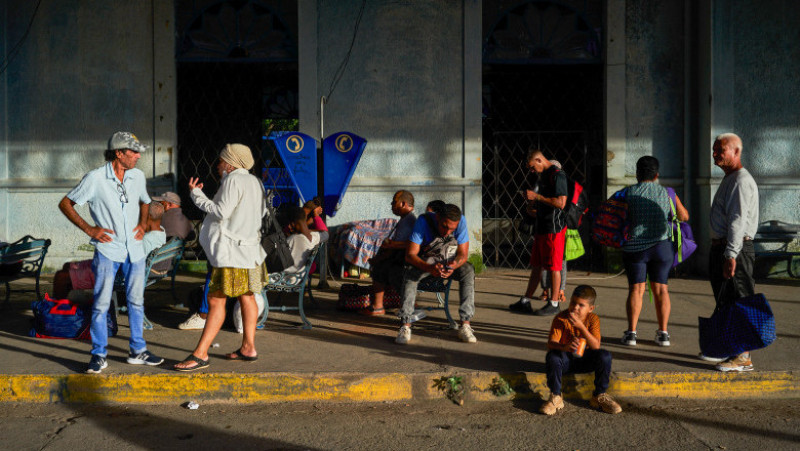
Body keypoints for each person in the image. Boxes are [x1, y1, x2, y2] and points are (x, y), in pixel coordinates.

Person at [58, 131, 164, 374]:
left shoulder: (137, 176)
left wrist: (143, 223)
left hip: (134, 250)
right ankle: (98, 354)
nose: (138, 156)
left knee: (137, 301)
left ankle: (138, 350)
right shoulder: (95, 178)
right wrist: (90, 229)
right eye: (133, 152)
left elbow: (146, 200)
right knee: (102, 303)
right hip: (108, 250)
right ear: (119, 153)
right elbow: (66, 203)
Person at [174, 143, 267, 371]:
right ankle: (248, 347)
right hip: (250, 252)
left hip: (231, 254)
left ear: (230, 163)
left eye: (221, 161)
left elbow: (221, 211)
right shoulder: (255, 182)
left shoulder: (233, 180)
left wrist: (196, 195)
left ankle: (201, 354)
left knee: (216, 301)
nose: (218, 166)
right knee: (247, 297)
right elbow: (261, 213)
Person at [704, 133, 759, 371]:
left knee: (738, 301)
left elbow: (738, 220)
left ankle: (742, 356)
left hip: (734, 249)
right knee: (726, 301)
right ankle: (731, 349)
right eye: (715, 149)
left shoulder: (740, 180)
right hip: (725, 248)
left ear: (736, 152)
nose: (715, 153)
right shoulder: (731, 178)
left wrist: (730, 255)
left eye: (721, 150)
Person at [620, 156, 688, 347]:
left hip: (636, 248)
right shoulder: (668, 192)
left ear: (637, 174)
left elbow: (620, 217)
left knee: (636, 289)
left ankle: (632, 334)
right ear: (657, 175)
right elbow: (684, 216)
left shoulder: (628, 192)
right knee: (661, 290)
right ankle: (663, 334)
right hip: (662, 248)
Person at [395, 204, 477, 344]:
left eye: (452, 229)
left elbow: (463, 254)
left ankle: (465, 324)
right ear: (438, 217)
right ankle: (405, 325)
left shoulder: (461, 221)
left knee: (468, 270)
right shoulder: (423, 221)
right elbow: (410, 255)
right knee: (410, 274)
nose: (447, 232)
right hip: (426, 264)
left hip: (448, 264)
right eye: (444, 226)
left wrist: (454, 264)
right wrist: (429, 267)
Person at [540, 285, 622, 415]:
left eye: (581, 305)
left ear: (591, 308)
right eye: (573, 302)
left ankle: (599, 396)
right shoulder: (561, 318)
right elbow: (551, 343)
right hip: (566, 361)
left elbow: (596, 346)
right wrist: (564, 347)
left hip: (585, 361)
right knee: (552, 356)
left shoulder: (593, 319)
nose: (575, 307)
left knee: (605, 356)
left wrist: (581, 327)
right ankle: (555, 397)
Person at [509, 149, 568, 316]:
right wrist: (532, 206)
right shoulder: (543, 176)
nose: (531, 171)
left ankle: (554, 303)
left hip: (554, 229)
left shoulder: (558, 175)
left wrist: (537, 197)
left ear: (540, 160)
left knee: (554, 267)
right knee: (536, 266)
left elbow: (561, 203)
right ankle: (526, 301)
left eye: (532, 167)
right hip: (541, 227)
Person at [360, 190, 417, 316]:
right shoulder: (407, 219)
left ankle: (377, 307)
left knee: (379, 269)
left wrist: (378, 259)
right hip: (401, 257)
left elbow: (396, 248)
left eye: (394, 202)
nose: (391, 205)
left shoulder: (407, 221)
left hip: (402, 260)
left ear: (403, 204)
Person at [282, 206, 329, 274]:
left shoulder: (293, 239)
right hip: (298, 277)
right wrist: (315, 216)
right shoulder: (314, 237)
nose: (289, 226)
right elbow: (325, 234)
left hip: (284, 279)